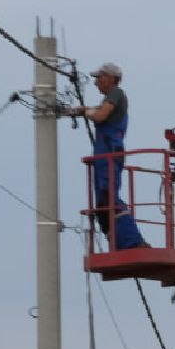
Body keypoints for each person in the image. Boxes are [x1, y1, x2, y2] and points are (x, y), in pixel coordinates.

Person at [63, 62, 147, 250]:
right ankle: (117, 240)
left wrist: (87, 111)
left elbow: (100, 116)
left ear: (110, 78)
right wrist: (75, 111)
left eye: (99, 78)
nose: (96, 83)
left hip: (109, 153)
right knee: (103, 202)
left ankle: (133, 242)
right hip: (104, 155)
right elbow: (97, 111)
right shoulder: (110, 98)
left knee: (109, 199)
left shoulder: (116, 94)